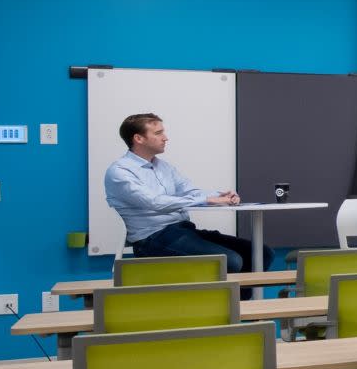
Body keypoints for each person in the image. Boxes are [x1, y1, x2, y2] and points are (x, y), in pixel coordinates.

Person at [102, 113, 271, 272]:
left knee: (262, 253)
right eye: (158, 133)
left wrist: (220, 196)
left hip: (183, 230)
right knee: (231, 261)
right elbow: (155, 202)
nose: (165, 138)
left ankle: (237, 295)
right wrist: (208, 200)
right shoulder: (120, 172)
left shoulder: (163, 166)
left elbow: (189, 191)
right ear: (138, 138)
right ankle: (227, 295)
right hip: (151, 240)